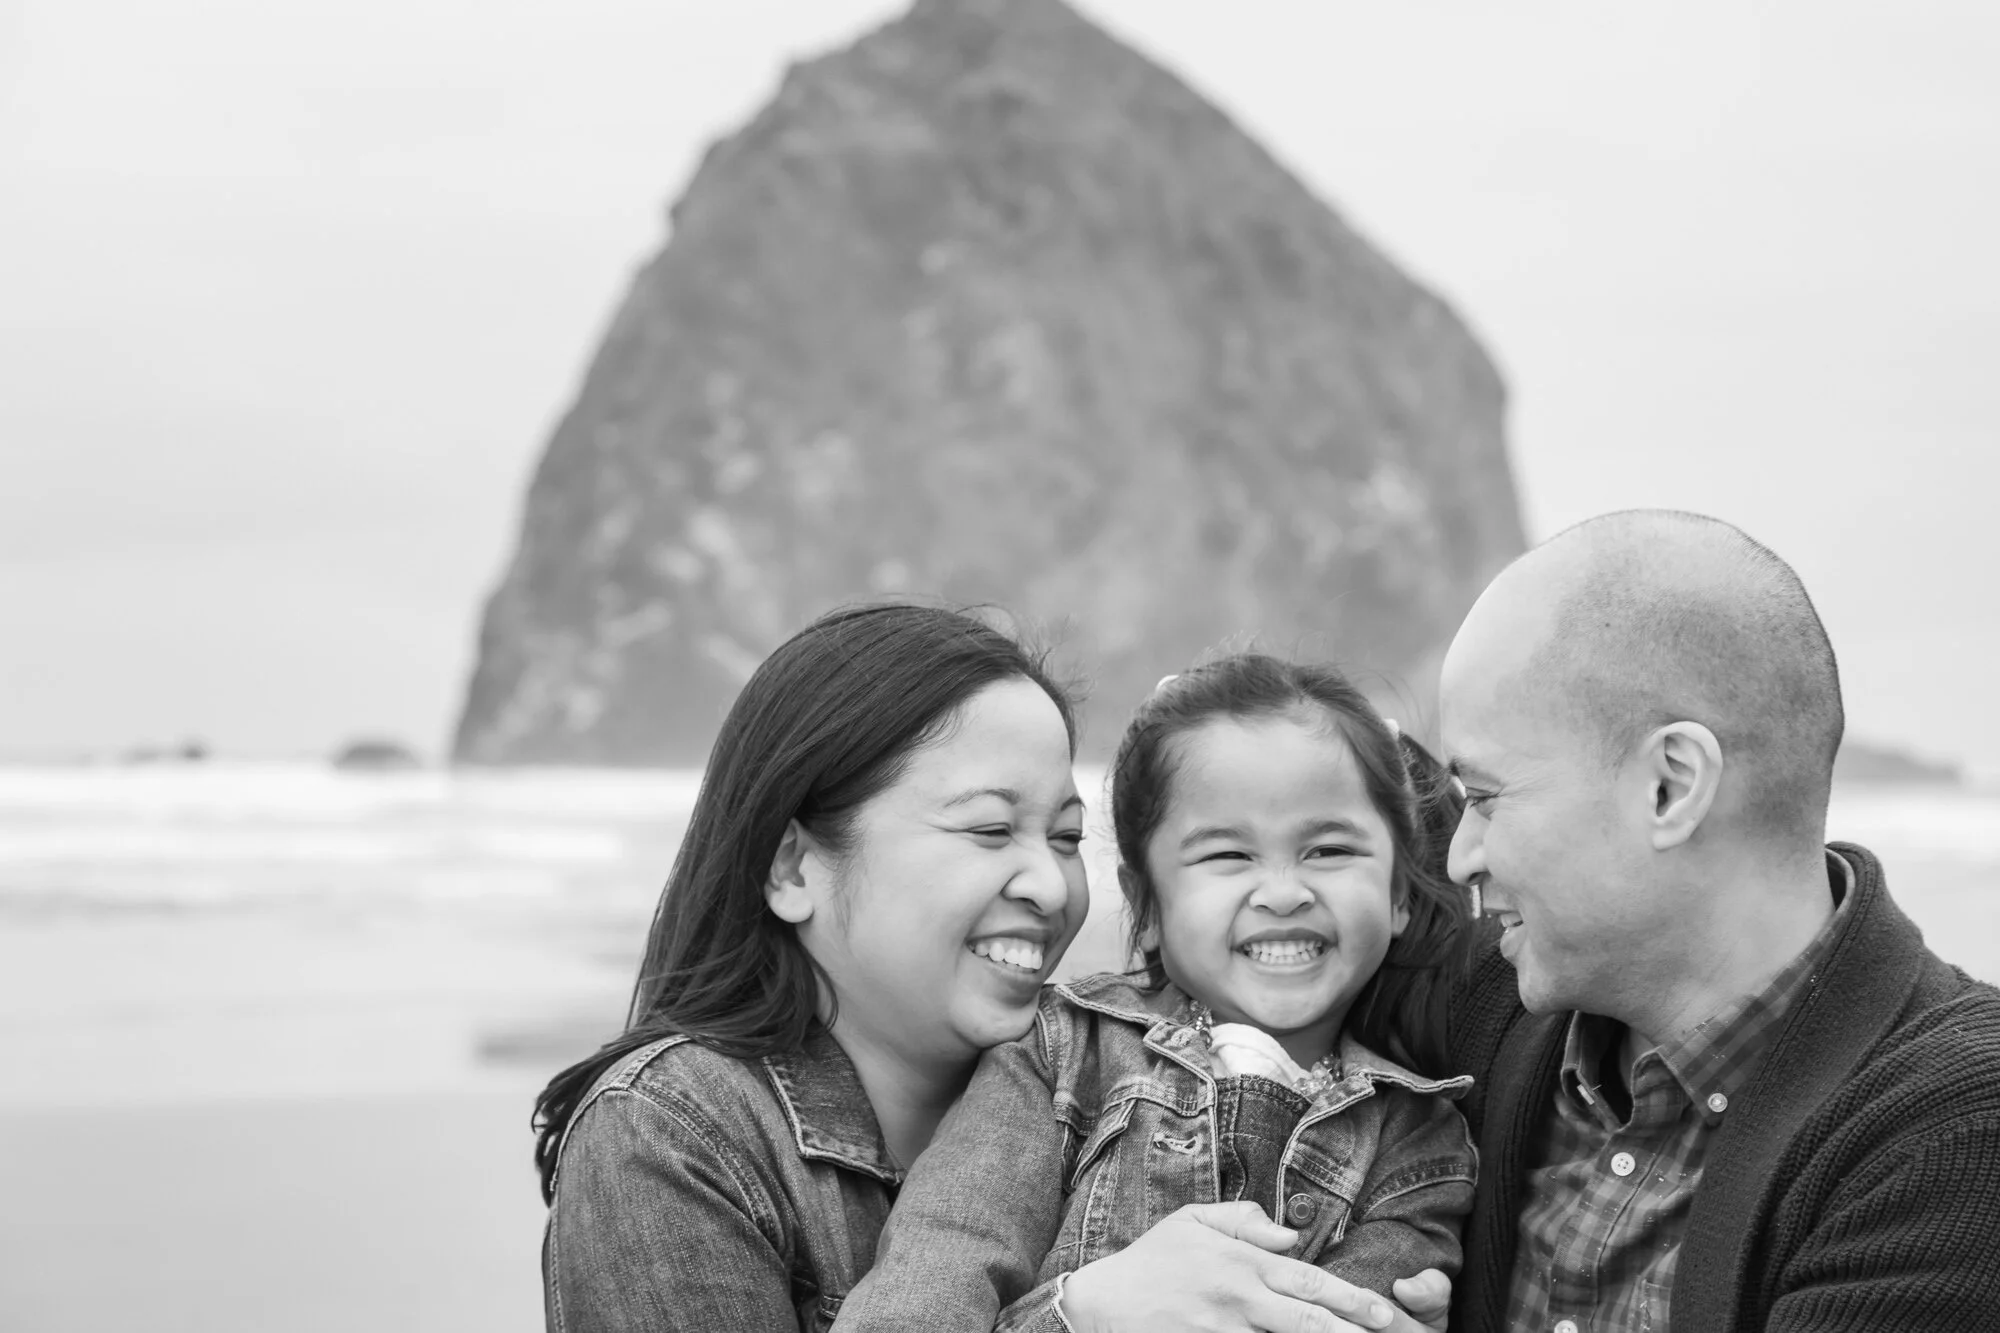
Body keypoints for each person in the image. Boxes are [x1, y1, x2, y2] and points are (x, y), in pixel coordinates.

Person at [534, 605, 1420, 1333]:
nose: (1048, 883)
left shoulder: (1117, 1072)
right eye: (990, 829)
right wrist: (1088, 1315)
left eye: (1067, 838)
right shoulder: (672, 1135)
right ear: (793, 867)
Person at [1428, 509, 2000, 1333]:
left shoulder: (1953, 1139)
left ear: (1670, 785)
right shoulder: (1488, 1006)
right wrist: (1170, 1275)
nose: (1458, 856)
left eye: (1483, 797)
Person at [834, 654, 1478, 1333]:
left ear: (1400, 892)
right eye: (1229, 855)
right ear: (1147, 901)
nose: (1286, 892)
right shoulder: (1061, 1056)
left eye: (1329, 850)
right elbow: (933, 1280)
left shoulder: (1419, 1140)